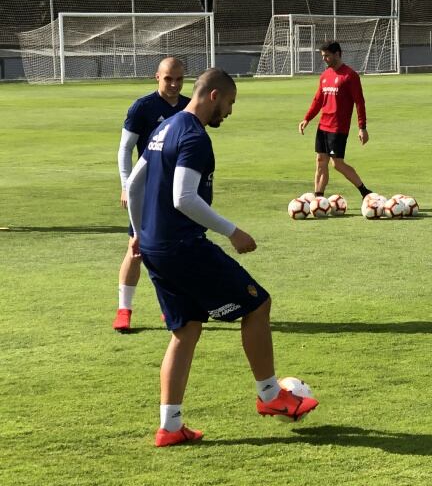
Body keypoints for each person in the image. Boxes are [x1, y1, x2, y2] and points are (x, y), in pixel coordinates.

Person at [127, 68, 319, 445]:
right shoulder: (195, 135)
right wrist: (233, 232)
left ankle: (169, 427)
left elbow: (134, 185)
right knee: (258, 304)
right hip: (183, 247)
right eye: (230, 103)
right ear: (214, 95)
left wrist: (138, 233)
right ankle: (270, 396)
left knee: (185, 331)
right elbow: (183, 198)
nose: (229, 112)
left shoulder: (164, 128)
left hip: (154, 247)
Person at [113, 57, 189, 332]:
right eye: (168, 79)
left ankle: (170, 307)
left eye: (179, 79)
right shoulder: (142, 108)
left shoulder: (188, 106)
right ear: (157, 77)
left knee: (175, 248)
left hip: (176, 191)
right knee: (136, 248)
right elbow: (124, 149)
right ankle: (124, 309)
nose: (174, 84)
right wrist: (126, 184)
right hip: (145, 189)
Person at [298, 41, 373, 199]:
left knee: (337, 163)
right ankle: (318, 197)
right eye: (323, 56)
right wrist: (307, 119)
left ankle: (365, 191)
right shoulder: (325, 75)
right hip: (323, 126)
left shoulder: (350, 76)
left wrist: (362, 127)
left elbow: (359, 102)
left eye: (327, 56)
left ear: (337, 54)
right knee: (320, 160)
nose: (324, 59)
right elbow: (318, 100)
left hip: (337, 129)